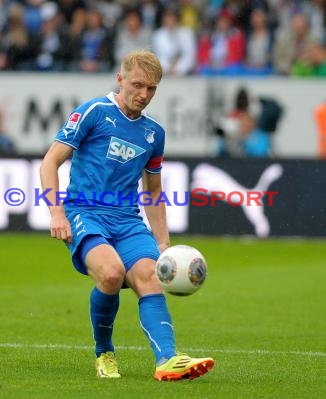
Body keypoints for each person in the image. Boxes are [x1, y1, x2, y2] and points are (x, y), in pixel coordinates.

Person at [39, 50, 214, 381]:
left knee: (150, 276)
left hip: (127, 220)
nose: (144, 95)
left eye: (152, 89)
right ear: (120, 79)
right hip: (84, 213)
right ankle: (104, 352)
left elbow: (153, 191)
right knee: (110, 273)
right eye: (137, 85)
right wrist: (56, 213)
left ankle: (168, 360)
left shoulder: (154, 133)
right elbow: (50, 162)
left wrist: (163, 242)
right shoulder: (93, 111)